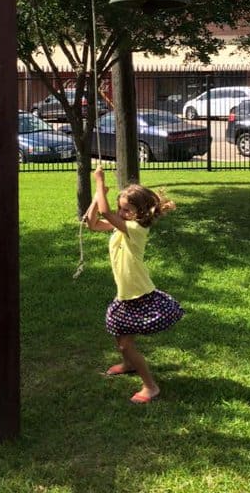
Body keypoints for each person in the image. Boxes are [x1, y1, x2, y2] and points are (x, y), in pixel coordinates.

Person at [84, 166, 184, 404]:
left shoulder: (137, 228)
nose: (121, 212)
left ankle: (151, 386)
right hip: (125, 294)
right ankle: (129, 364)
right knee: (119, 334)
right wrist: (97, 198)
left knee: (126, 344)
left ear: (139, 211)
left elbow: (107, 215)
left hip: (139, 295)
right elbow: (92, 223)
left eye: (126, 209)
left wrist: (99, 183)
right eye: (121, 208)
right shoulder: (124, 226)